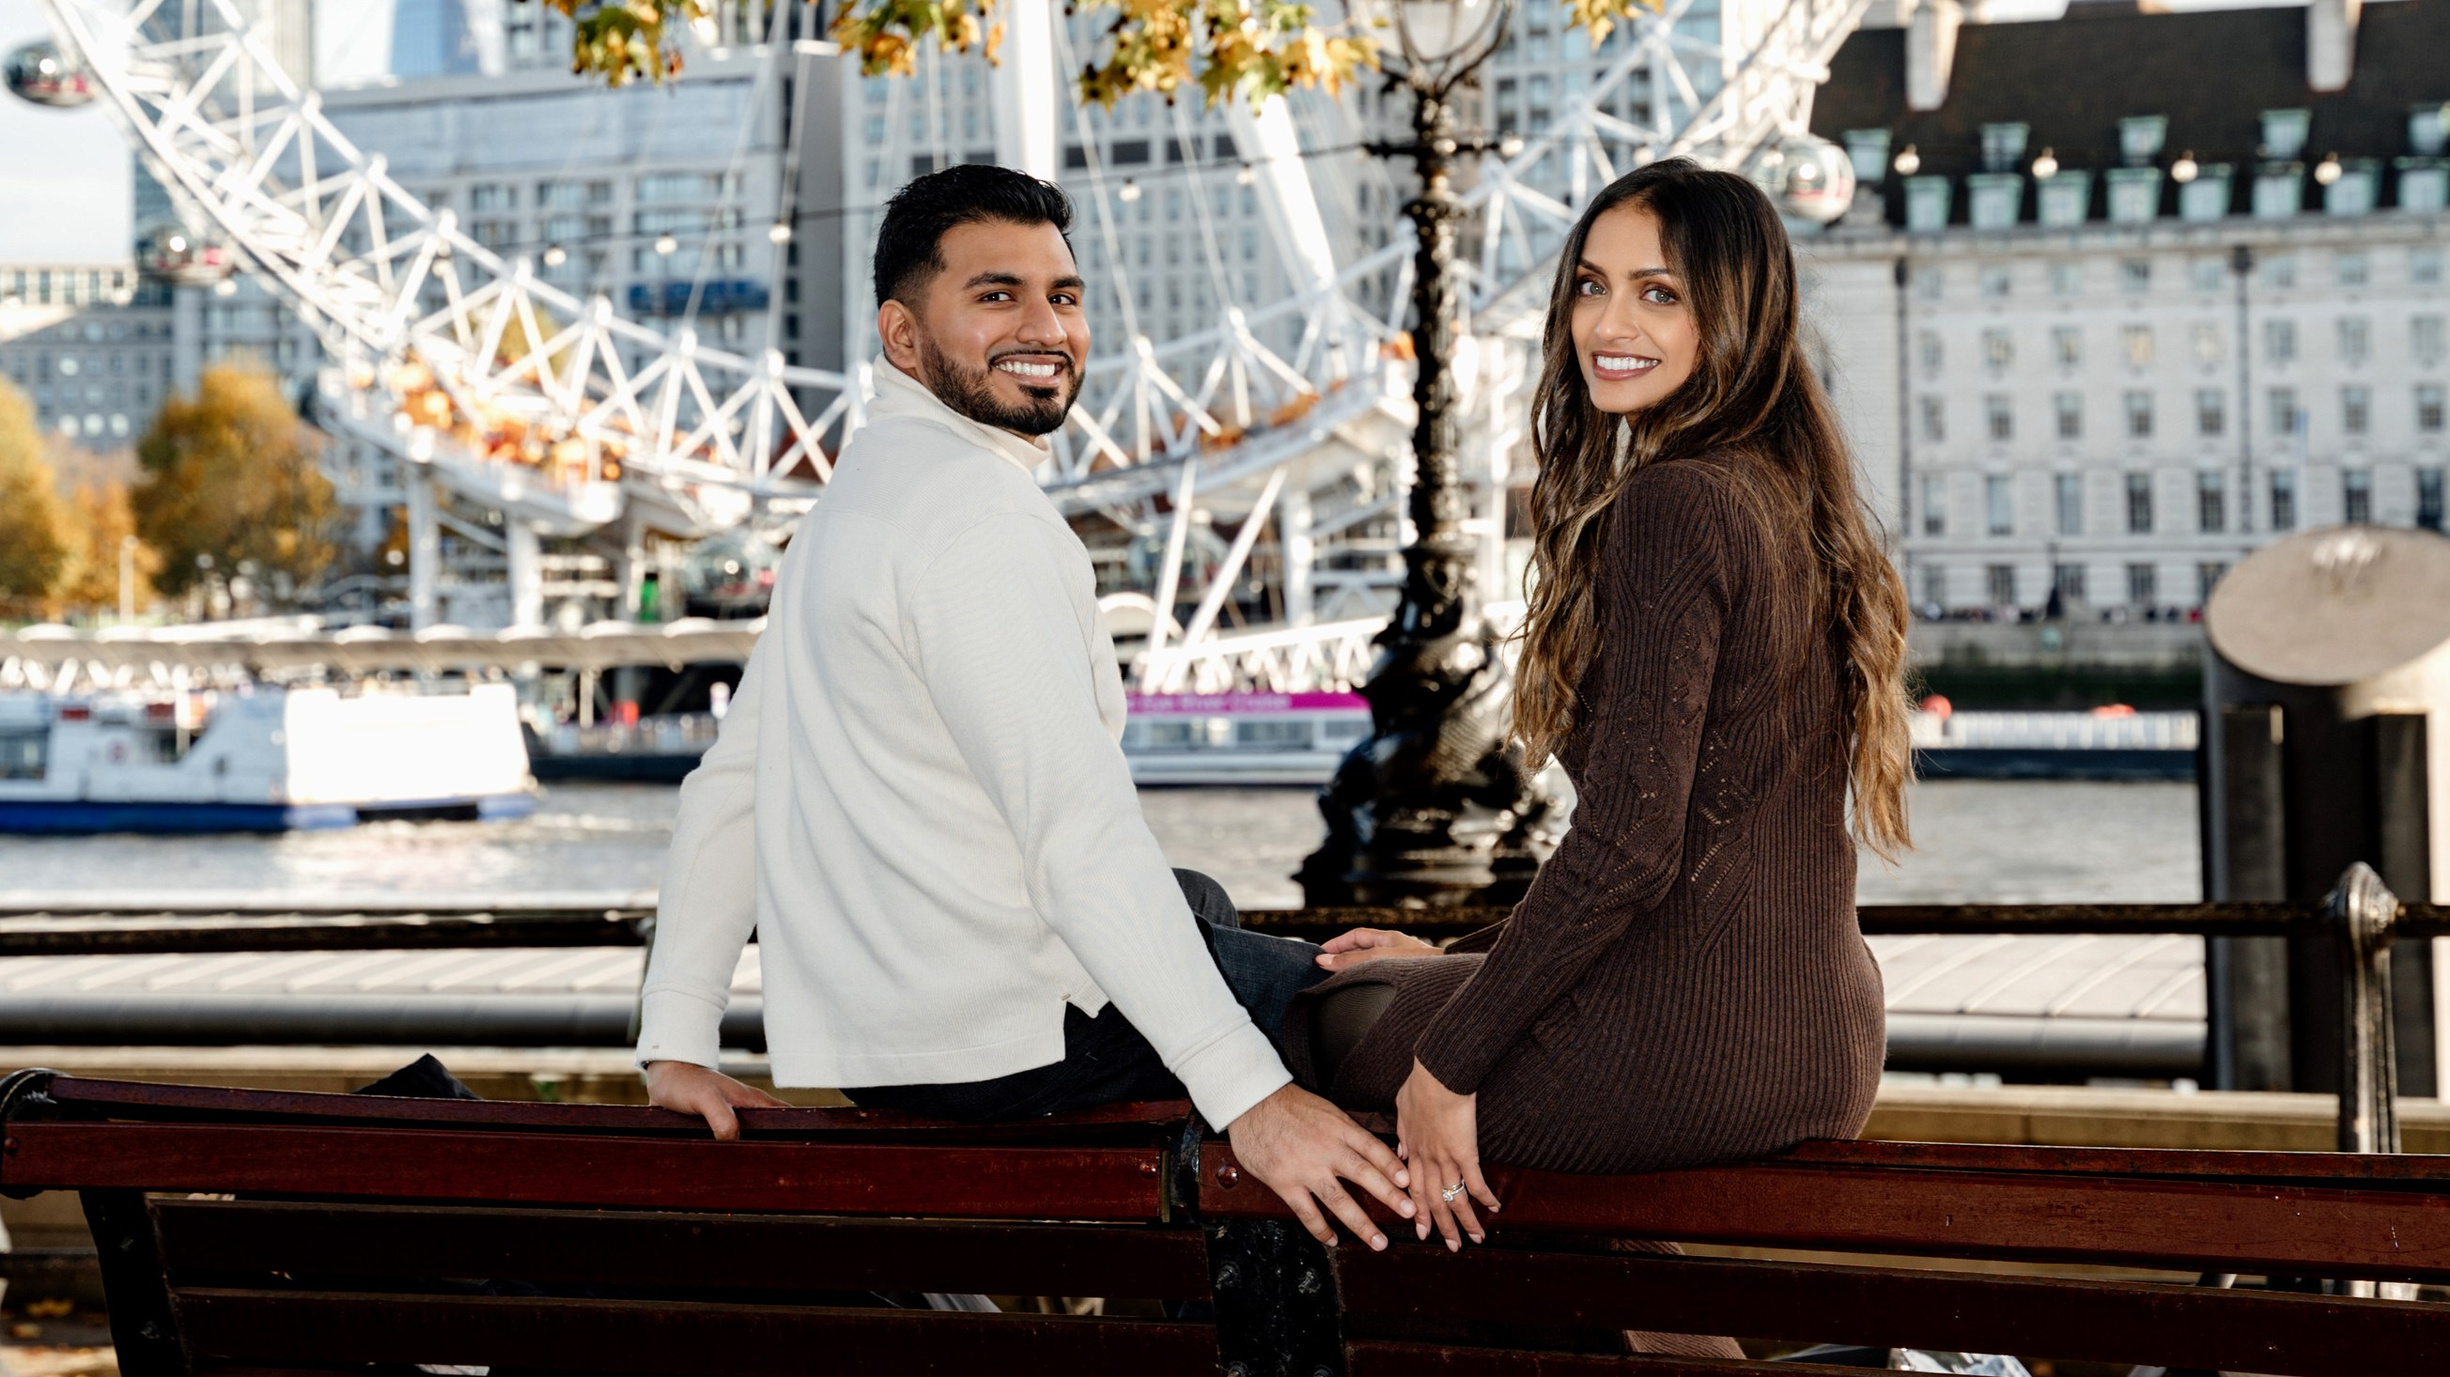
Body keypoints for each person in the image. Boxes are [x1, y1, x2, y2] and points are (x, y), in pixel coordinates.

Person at [637, 163, 1410, 1253]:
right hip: (1013, 1034)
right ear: (904, 338)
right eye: (996, 295)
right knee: (1415, 1025)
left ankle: (1185, 1327)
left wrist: (674, 1034)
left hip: (893, 1042)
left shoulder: (854, 502)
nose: (1045, 324)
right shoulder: (976, 519)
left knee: (1199, 905)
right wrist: (1254, 1098)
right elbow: (1075, 837)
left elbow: (730, 787)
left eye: (1064, 293)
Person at [1308, 160, 1907, 1241]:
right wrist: (1450, 962)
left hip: (1689, 1051)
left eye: (1659, 292)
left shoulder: (1675, 501)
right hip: (1820, 1043)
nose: (1607, 321)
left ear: (1734, 312)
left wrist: (1448, 1060)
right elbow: (1697, 852)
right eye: (1590, 284)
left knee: (1295, 1027)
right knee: (1391, 996)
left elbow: (1630, 845)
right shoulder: (1789, 496)